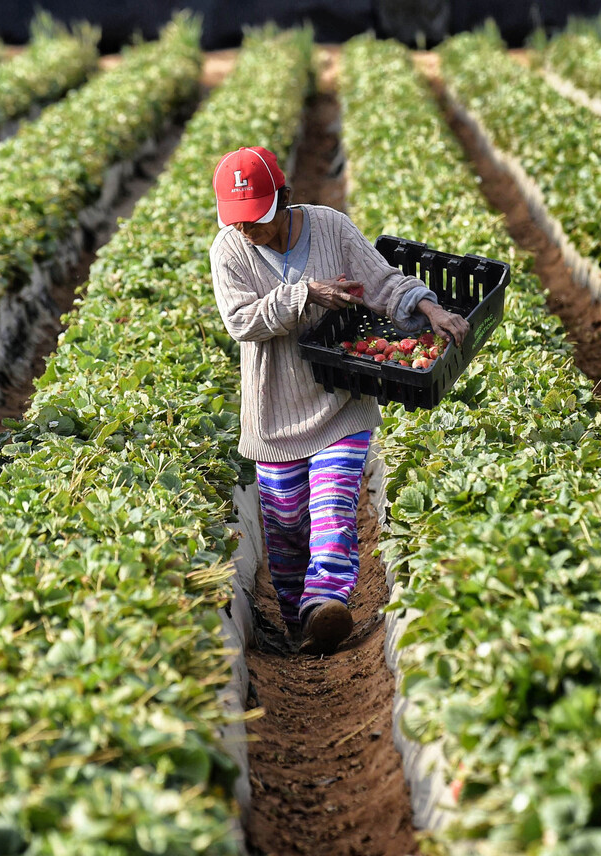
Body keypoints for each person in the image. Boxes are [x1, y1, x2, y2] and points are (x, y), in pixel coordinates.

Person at [209, 146, 469, 655]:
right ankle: (296, 621)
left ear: (283, 200)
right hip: (274, 412)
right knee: (284, 531)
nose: (246, 230)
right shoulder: (228, 251)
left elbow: (383, 280)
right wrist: (306, 294)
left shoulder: (330, 227)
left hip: (339, 404)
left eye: (256, 219)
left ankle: (324, 603)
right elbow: (240, 321)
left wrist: (427, 308)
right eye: (237, 221)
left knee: (332, 509)